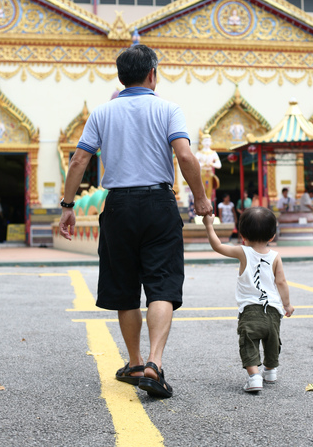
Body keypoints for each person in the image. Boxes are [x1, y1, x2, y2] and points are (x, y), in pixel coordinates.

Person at [59, 44, 212, 399]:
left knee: (124, 286)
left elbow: (80, 160)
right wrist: (201, 198)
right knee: (161, 284)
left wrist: (68, 205)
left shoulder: (102, 113)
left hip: (119, 206)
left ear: (120, 77)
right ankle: (154, 366)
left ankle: (134, 362)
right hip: (159, 203)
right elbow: (185, 155)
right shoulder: (168, 109)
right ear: (152, 74)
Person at [202, 208, 294, 392]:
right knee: (272, 341)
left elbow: (218, 246)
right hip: (273, 310)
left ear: (242, 234)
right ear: (272, 236)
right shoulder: (276, 256)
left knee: (249, 342)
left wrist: (209, 226)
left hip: (250, 309)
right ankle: (270, 371)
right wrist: (287, 304)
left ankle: (254, 377)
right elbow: (281, 282)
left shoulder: (243, 252)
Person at [195, 134, 222, 200]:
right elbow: (195, 164)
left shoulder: (213, 153)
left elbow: (219, 165)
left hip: (210, 173)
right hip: (202, 173)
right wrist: (203, 164)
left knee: (209, 192)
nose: (207, 143)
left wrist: (211, 164)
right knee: (202, 191)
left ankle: (209, 205)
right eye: (205, 141)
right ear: (202, 142)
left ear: (211, 142)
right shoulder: (199, 153)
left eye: (208, 141)